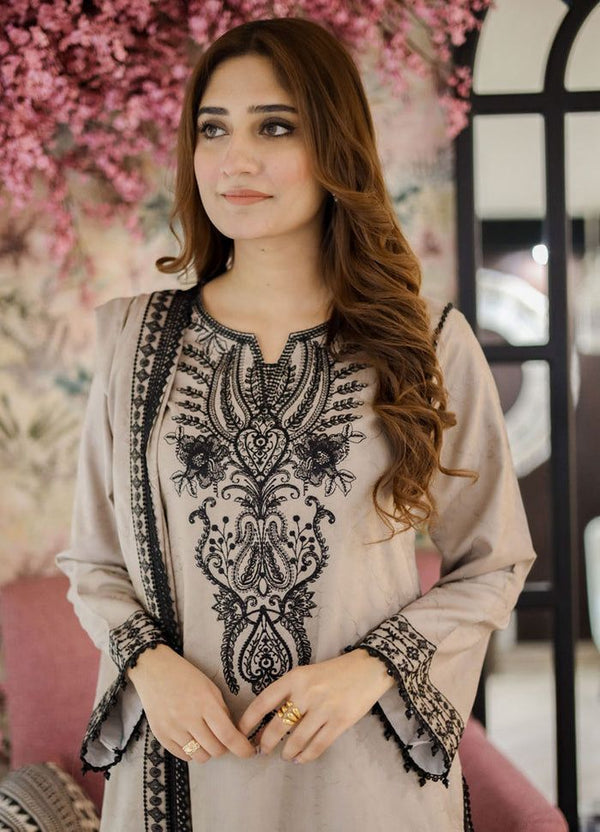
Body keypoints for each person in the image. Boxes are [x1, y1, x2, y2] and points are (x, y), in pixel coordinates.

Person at [55, 16, 537, 832]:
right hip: (183, 768)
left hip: (361, 772)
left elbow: (494, 563)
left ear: (336, 147)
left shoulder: (424, 341)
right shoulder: (133, 339)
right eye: (214, 130)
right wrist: (150, 666)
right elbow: (93, 559)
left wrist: (371, 671)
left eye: (275, 127)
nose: (235, 159)